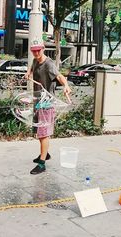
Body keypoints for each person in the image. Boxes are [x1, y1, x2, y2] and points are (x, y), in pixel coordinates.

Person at [25, 38, 72, 175]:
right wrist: (28, 73)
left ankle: (42, 163)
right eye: (33, 51)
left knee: (43, 133)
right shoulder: (35, 60)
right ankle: (45, 154)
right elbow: (32, 67)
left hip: (47, 103)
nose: (36, 53)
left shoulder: (49, 64)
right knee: (39, 131)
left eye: (38, 50)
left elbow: (59, 76)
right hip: (39, 101)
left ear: (43, 48)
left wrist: (66, 86)